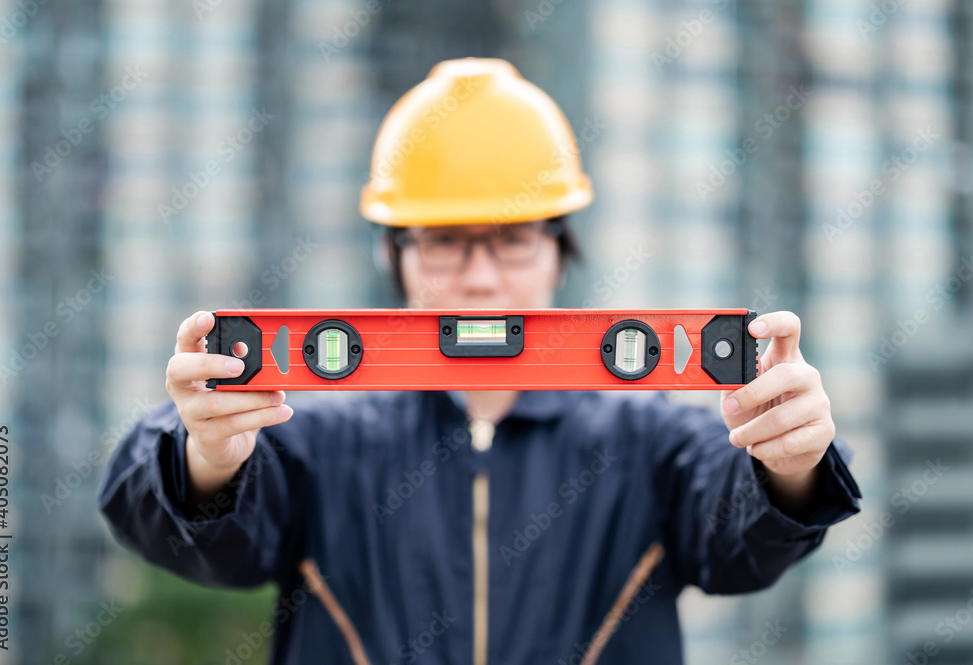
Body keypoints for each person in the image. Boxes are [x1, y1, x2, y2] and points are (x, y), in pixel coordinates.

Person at [98, 58, 861, 665]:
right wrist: (204, 461)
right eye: (444, 239)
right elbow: (175, 520)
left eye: (512, 236)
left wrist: (789, 462)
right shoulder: (307, 437)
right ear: (392, 255)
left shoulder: (649, 441)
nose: (481, 274)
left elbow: (740, 539)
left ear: (562, 251)